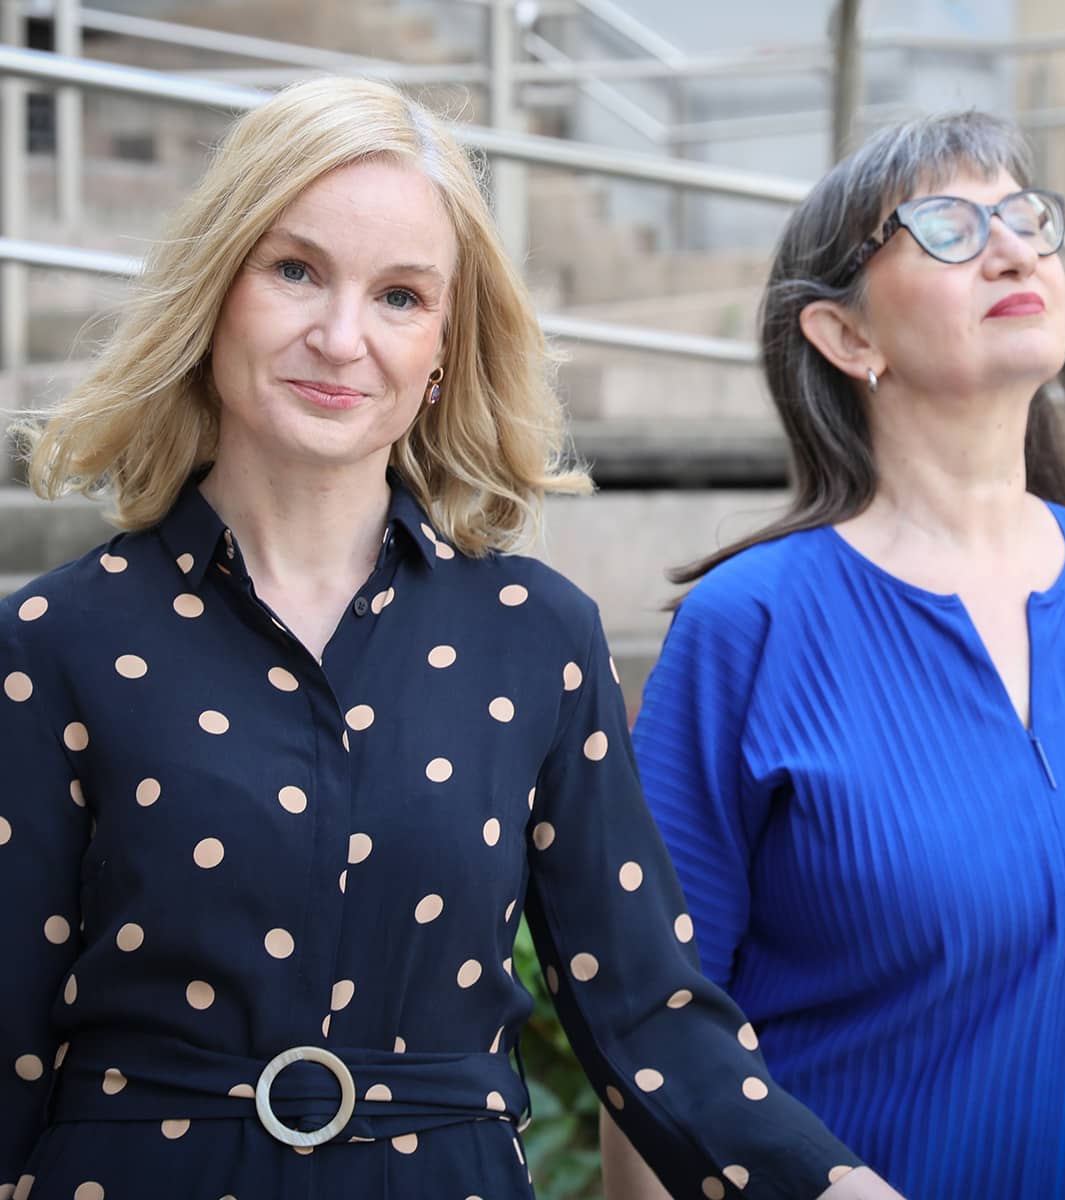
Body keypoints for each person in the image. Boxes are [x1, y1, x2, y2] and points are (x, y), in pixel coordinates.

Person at [0, 77, 908, 1200]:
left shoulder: (540, 637)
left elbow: (646, 1013)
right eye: (294, 271)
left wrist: (832, 1188)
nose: (341, 338)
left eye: (398, 296)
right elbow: (7, 1040)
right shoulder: (52, 640)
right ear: (215, 295)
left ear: (441, 348)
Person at [603, 110, 1065, 1199]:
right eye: (947, 225)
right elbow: (657, 1042)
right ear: (845, 335)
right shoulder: (749, 629)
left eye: (1026, 218)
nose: (1014, 248)